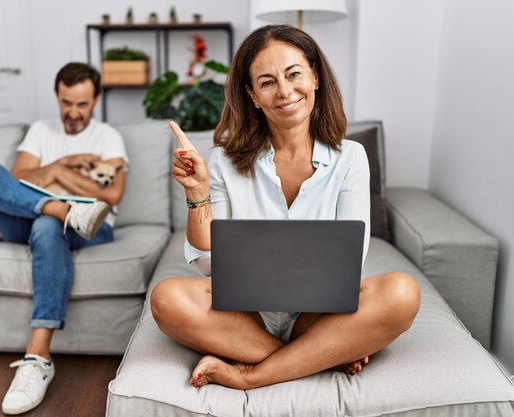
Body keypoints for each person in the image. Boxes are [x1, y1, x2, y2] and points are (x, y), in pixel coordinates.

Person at [150, 25, 421, 390]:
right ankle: (317, 355)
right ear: (252, 95)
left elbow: (350, 259)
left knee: (403, 293)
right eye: (267, 82)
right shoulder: (224, 162)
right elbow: (205, 261)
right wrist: (197, 192)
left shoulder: (351, 158)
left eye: (294, 74)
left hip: (319, 313)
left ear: (315, 77)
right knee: (167, 298)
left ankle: (252, 374)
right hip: (244, 316)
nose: (284, 91)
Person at [0, 62, 128, 414]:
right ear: (57, 97)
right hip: (31, 213)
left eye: (82, 104)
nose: (73, 112)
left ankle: (38, 358)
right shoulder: (41, 130)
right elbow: (12, 184)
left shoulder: (107, 137)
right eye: (66, 103)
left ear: (96, 100)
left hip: (92, 224)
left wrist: (50, 175)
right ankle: (61, 210)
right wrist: (64, 165)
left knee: (45, 225)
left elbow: (112, 194)